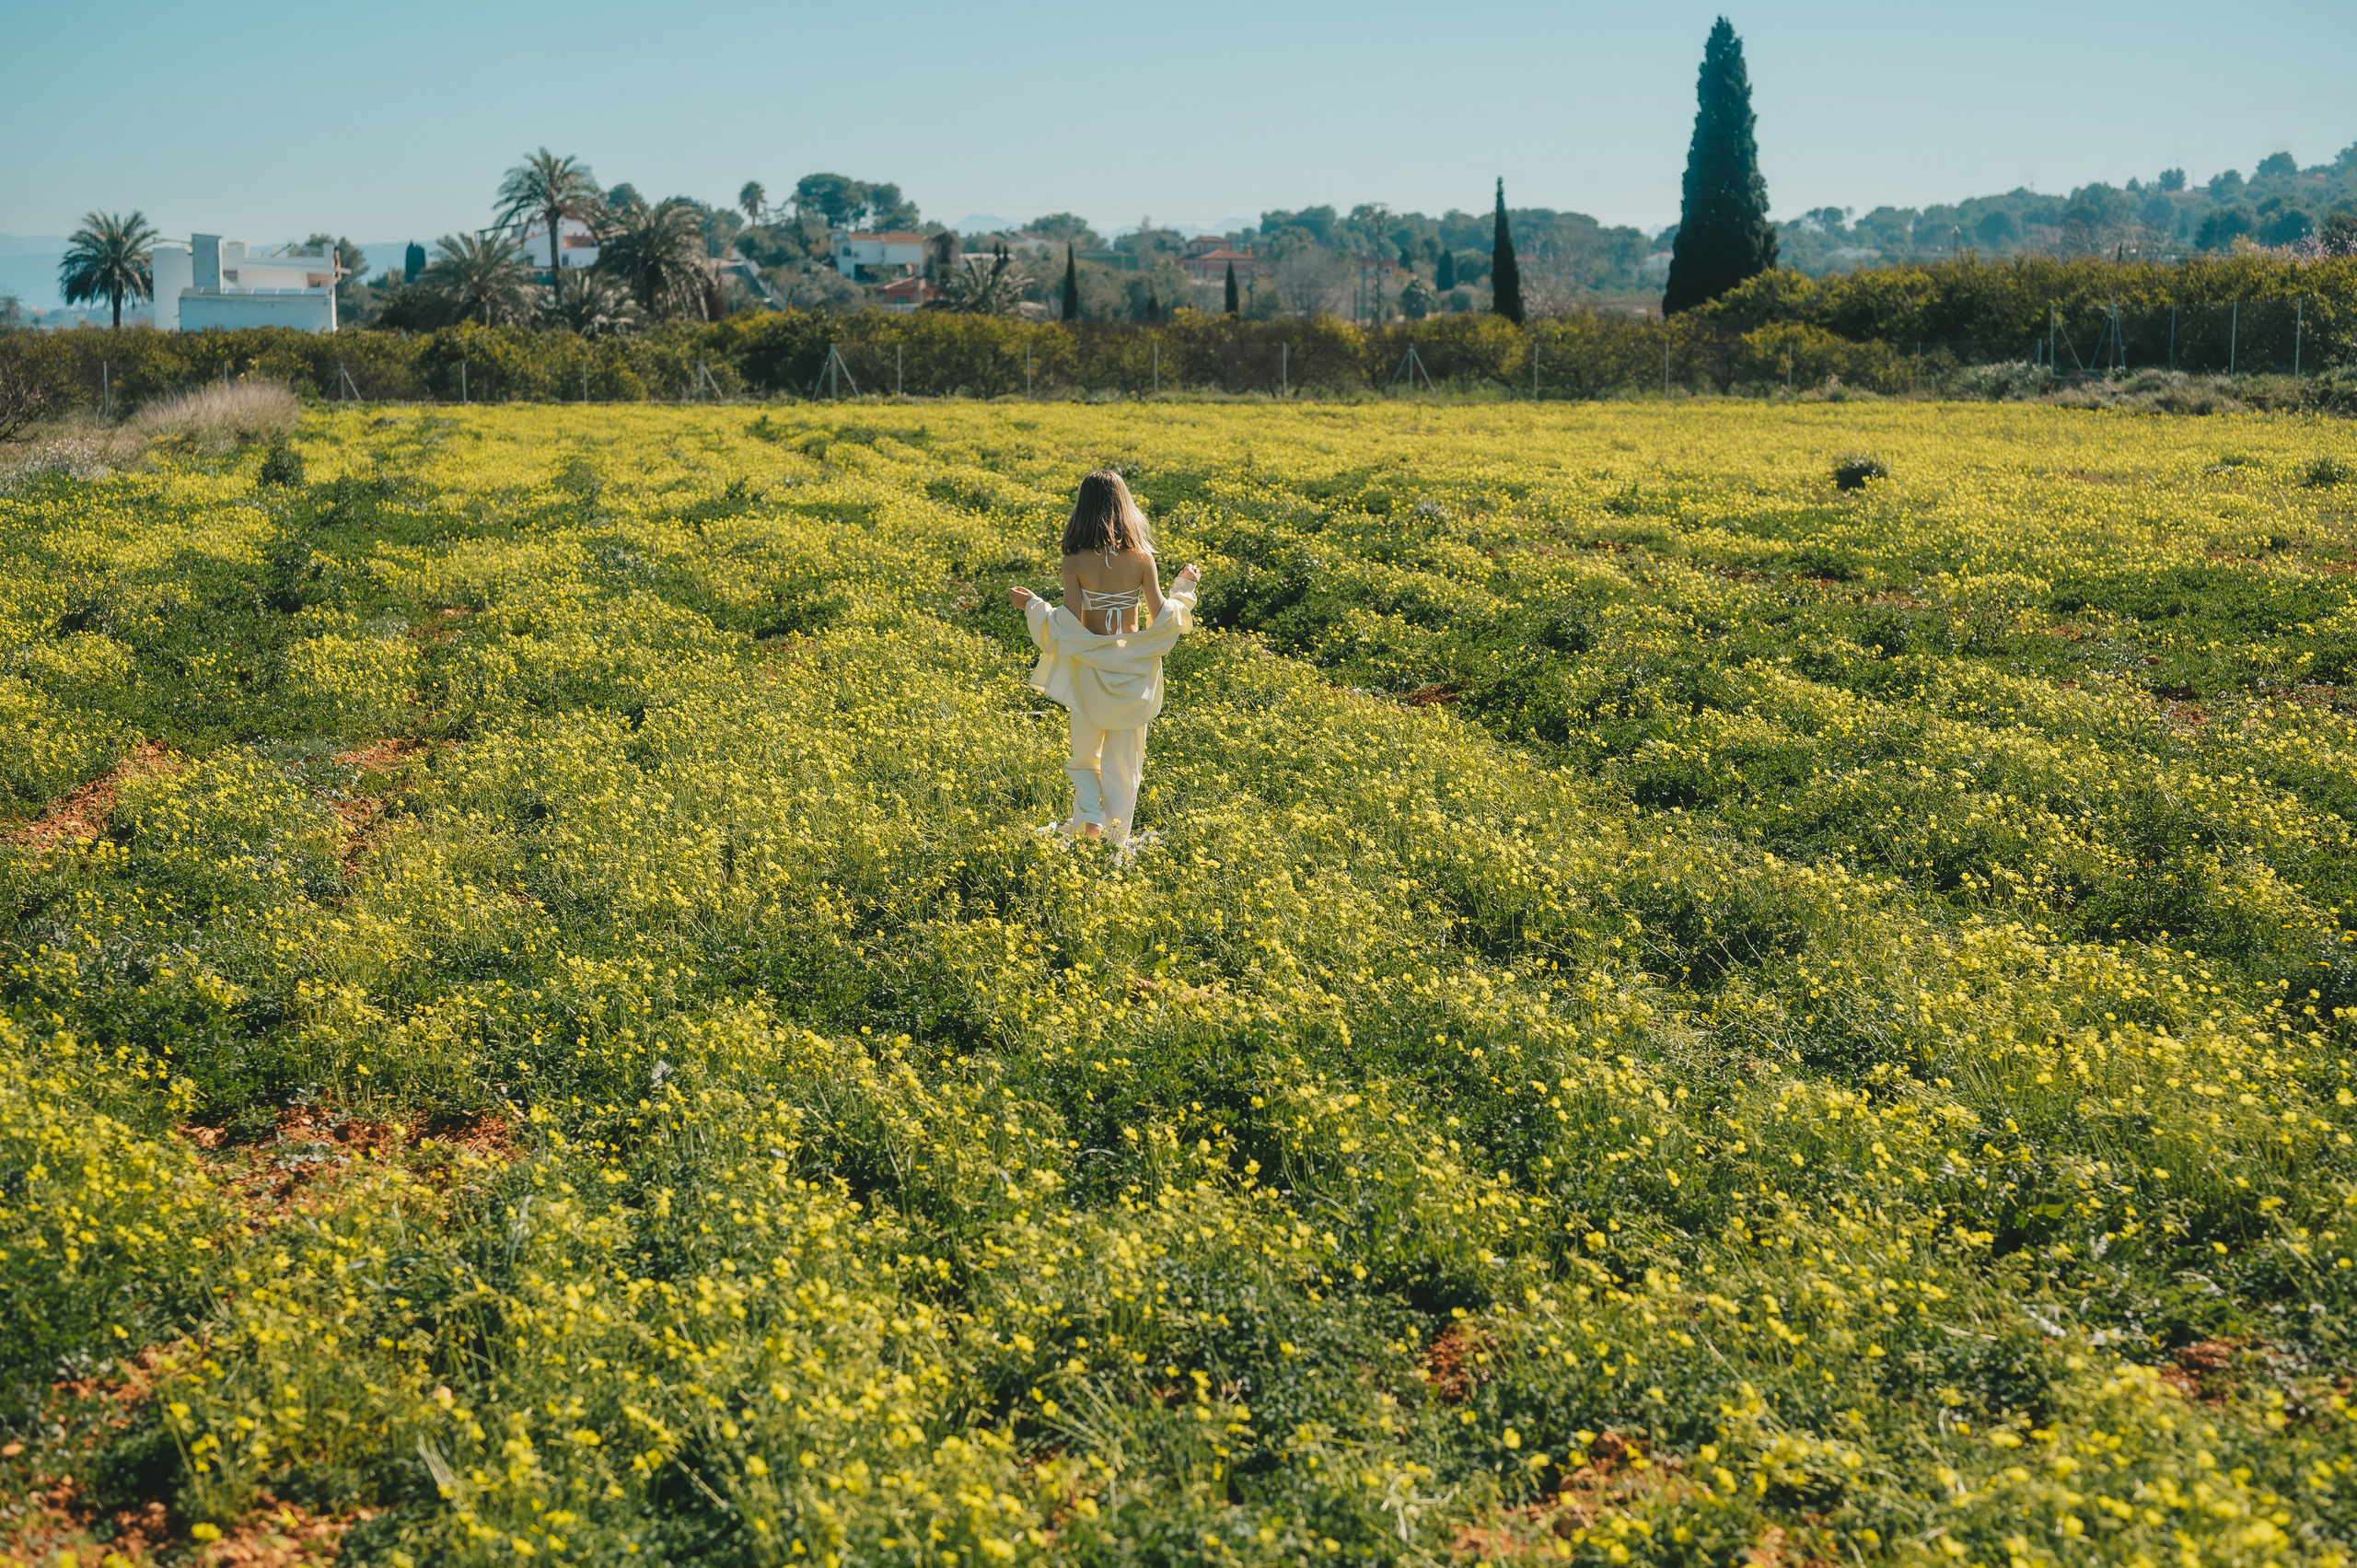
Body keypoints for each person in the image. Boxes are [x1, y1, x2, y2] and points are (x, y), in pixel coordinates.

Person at [1008, 470, 1202, 845]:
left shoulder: (1075, 559)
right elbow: (1163, 619)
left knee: (1084, 754)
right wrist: (1186, 587)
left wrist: (1031, 604)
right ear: (1124, 505)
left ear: (1083, 507)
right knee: (1125, 762)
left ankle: (1090, 819)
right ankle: (1115, 838)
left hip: (1090, 674)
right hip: (1132, 675)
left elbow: (1066, 624)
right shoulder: (1142, 558)